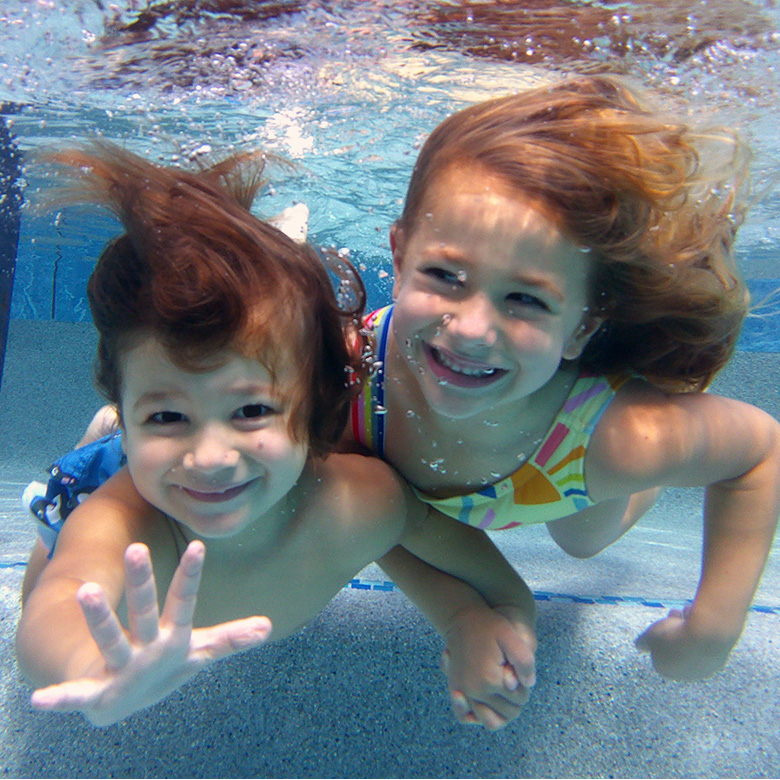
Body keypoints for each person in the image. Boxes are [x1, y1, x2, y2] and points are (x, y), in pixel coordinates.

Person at [15, 141, 535, 727]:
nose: (211, 458)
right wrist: (96, 668)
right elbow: (51, 608)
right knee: (57, 531)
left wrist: (473, 617)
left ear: (316, 404)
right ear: (125, 398)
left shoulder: (360, 501)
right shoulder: (124, 527)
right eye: (166, 416)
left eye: (250, 411)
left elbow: (412, 538)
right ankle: (107, 441)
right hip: (105, 482)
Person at [351, 73, 780, 722]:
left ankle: (648, 456)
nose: (470, 329)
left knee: (583, 540)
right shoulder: (347, 376)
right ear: (400, 256)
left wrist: (714, 627)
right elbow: (374, 520)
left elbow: (757, 453)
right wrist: (460, 615)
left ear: (583, 324)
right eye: (444, 276)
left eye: (525, 299)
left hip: (565, 464)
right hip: (479, 479)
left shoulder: (619, 442)